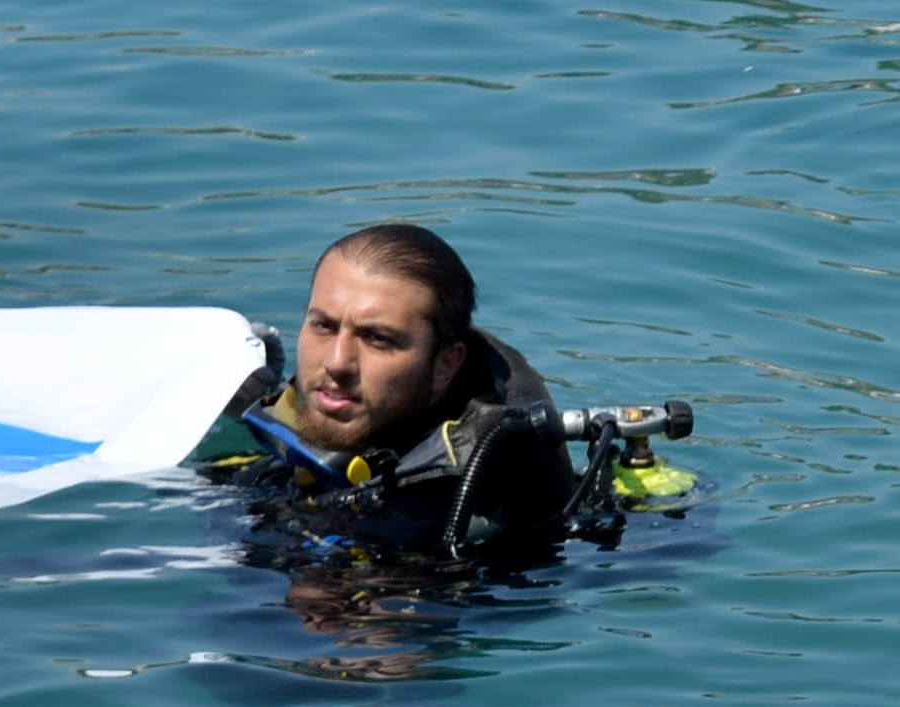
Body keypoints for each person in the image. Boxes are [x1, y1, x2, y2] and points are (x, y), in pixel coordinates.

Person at [190, 224, 664, 564]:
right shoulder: (269, 433)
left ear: (444, 366)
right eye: (323, 325)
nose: (336, 361)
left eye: (378, 339)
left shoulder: (470, 504)